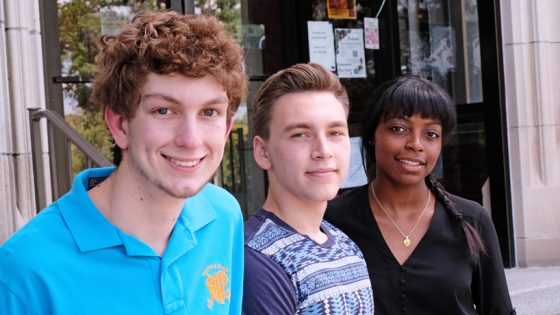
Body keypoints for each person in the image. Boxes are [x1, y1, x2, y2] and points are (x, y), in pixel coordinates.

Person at [0, 11, 247, 314]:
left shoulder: (223, 216)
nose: (191, 140)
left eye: (209, 112)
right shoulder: (24, 271)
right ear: (119, 124)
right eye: (164, 111)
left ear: (225, 128)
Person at [325, 75, 515, 314]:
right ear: (372, 135)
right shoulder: (332, 221)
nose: (416, 144)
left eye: (431, 134)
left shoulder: (471, 220)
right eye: (398, 129)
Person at [243, 63, 374, 314]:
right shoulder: (256, 261)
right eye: (300, 135)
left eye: (335, 132)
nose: (323, 151)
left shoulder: (346, 246)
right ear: (262, 151)